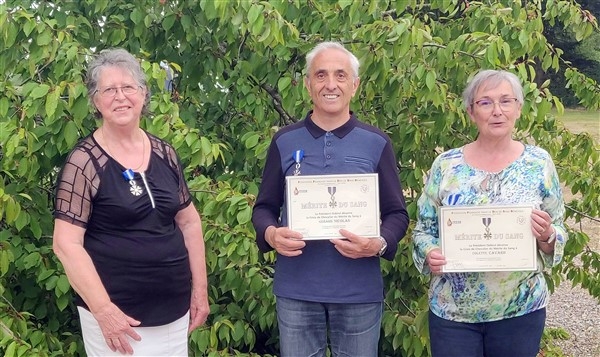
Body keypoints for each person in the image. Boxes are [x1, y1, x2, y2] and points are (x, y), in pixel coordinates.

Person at [251, 41, 409, 356]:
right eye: (320, 75)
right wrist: (271, 234)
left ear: (355, 84)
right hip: (297, 288)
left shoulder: (375, 143)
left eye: (340, 75)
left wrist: (377, 243)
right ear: (308, 85)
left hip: (358, 291)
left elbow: (397, 215)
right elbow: (265, 208)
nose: (330, 84)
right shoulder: (284, 141)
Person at [52, 48, 209, 356]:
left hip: (174, 315)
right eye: (109, 89)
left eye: (128, 87)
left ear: (143, 94)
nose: (120, 97)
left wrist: (200, 291)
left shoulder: (165, 153)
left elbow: (188, 221)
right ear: (96, 101)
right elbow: (66, 245)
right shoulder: (83, 163)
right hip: (118, 323)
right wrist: (104, 311)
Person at [412, 69, 567, 357]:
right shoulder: (446, 166)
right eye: (485, 102)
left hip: (520, 309)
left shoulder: (539, 163)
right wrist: (431, 251)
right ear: (471, 112)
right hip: (453, 312)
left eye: (506, 101)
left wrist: (547, 235)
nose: (497, 111)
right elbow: (424, 230)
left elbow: (558, 227)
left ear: (518, 109)